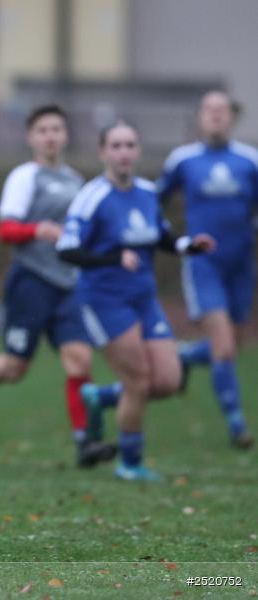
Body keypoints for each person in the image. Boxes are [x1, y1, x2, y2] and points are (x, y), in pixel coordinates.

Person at [0, 105, 116, 468]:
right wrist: (38, 230)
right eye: (43, 129)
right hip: (31, 282)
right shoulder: (25, 177)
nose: (51, 135)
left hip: (68, 285)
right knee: (14, 368)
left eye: (57, 129)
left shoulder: (76, 181)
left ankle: (85, 443)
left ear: (65, 135)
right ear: (31, 137)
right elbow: (6, 231)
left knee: (79, 362)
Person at [84, 91, 256, 449]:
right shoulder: (183, 160)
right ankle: (238, 426)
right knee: (223, 347)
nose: (216, 116)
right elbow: (148, 204)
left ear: (233, 117)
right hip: (203, 264)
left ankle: (118, 390)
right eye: (209, 110)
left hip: (241, 265)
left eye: (222, 111)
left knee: (229, 347)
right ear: (199, 117)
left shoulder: (249, 161)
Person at [56, 121, 215, 481]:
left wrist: (186, 245)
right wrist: (113, 259)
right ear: (103, 153)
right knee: (139, 380)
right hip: (104, 301)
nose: (123, 152)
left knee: (169, 381)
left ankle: (99, 397)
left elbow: (159, 235)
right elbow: (67, 248)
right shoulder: (91, 196)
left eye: (129, 144)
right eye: (116, 145)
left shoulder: (146, 191)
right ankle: (129, 462)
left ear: (138, 151)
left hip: (144, 298)